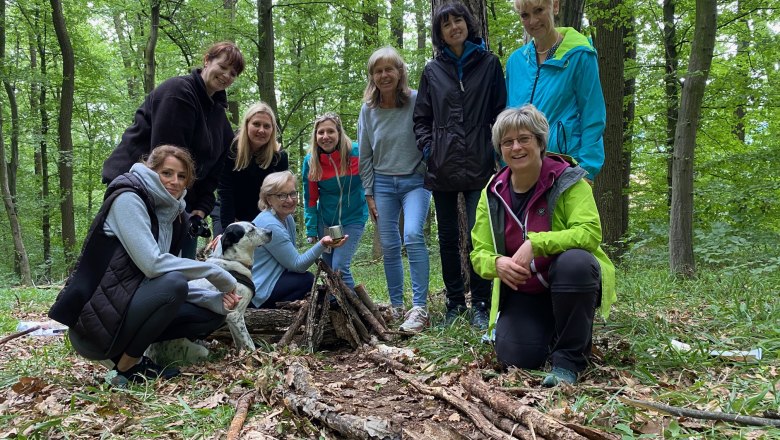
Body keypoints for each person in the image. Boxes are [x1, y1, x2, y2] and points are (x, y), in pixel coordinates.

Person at [49, 145, 241, 386]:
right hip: (96, 328)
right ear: (151, 171)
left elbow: (161, 280)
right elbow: (153, 266)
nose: (174, 181)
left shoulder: (174, 215)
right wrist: (214, 271)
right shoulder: (128, 198)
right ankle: (129, 365)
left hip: (131, 306)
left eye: (182, 176)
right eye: (167, 173)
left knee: (211, 314)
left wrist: (215, 300)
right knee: (174, 283)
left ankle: (130, 358)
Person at [470, 105, 616, 387]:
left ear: (540, 142)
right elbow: (479, 252)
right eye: (507, 142)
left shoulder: (569, 180)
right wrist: (496, 264)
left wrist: (536, 244)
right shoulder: (492, 191)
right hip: (525, 292)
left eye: (524, 138)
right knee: (516, 355)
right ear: (499, 149)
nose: (516, 147)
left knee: (576, 263)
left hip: (569, 281)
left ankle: (569, 360)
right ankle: (552, 329)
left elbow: (589, 233)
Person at [102, 41, 246, 258]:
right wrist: (182, 205)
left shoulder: (221, 122)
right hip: (139, 193)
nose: (227, 75)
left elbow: (214, 171)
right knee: (133, 268)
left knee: (181, 273)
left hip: (181, 203)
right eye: (223, 67)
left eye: (233, 73)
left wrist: (202, 207)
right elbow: (167, 159)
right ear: (207, 60)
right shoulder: (178, 92)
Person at [413, 2, 507, 329]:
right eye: (446, 24)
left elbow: (500, 113)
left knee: (478, 237)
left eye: (458, 21)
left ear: (468, 24)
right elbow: (421, 118)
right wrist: (430, 150)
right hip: (442, 166)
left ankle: (481, 304)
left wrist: (497, 157)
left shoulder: (490, 64)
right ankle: (455, 304)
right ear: (439, 33)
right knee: (449, 238)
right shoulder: (432, 70)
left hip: (481, 164)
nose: (454, 27)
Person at [358, 47, 432, 333]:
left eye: (390, 69)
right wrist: (368, 192)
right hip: (383, 184)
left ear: (400, 72)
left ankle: (419, 308)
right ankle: (397, 305)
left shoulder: (415, 100)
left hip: (415, 181)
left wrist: (428, 169)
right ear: (372, 77)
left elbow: (429, 134)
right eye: (378, 71)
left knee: (412, 234)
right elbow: (364, 153)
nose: (384, 75)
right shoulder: (369, 109)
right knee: (389, 246)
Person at [506, 0, 606, 181]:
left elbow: (593, 115)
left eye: (539, 10)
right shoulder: (516, 62)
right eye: (525, 15)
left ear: (555, 6)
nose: (533, 21)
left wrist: (586, 170)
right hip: (521, 172)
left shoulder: (580, 56)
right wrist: (507, 166)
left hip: (566, 169)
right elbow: (508, 119)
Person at [251, 171, 347, 308]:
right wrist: (322, 244)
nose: (290, 200)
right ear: (268, 199)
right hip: (260, 290)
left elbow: (292, 262)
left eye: (292, 193)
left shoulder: (287, 218)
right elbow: (297, 265)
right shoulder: (269, 224)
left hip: (275, 280)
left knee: (308, 283)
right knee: (306, 280)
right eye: (281, 195)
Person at [303, 113, 368, 290]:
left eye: (330, 131)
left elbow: (372, 183)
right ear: (315, 136)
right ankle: (334, 309)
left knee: (340, 267)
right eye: (320, 132)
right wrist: (311, 229)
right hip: (326, 222)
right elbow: (310, 198)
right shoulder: (311, 162)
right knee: (329, 270)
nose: (325, 136)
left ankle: (355, 312)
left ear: (339, 133)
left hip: (353, 218)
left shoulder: (357, 153)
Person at [217, 102, 289, 232]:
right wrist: (229, 228)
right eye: (256, 124)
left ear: (272, 130)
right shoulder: (229, 152)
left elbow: (280, 197)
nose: (261, 130)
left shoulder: (279, 158)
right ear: (246, 125)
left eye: (267, 126)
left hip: (264, 216)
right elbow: (225, 193)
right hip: (229, 212)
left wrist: (262, 224)